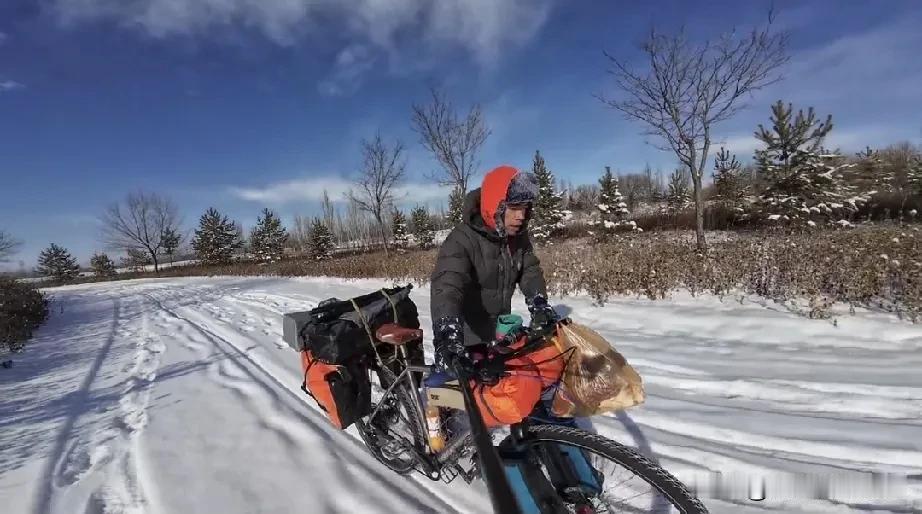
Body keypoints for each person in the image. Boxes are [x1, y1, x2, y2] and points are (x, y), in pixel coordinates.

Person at [430, 165, 559, 373]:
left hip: (500, 331)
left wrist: (539, 303)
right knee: (473, 397)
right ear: (495, 205)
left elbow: (529, 270)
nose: (521, 216)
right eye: (514, 207)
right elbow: (447, 284)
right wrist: (447, 332)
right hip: (467, 338)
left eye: (525, 208)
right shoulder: (461, 239)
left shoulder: (516, 237)